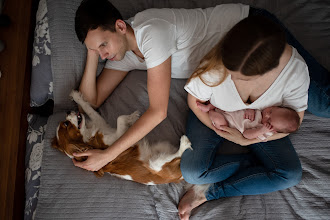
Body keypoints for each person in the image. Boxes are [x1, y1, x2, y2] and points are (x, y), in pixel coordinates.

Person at [177, 12, 328, 219]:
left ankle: (208, 193)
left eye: (239, 78)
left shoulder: (295, 71)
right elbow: (193, 101)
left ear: (267, 72)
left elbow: (295, 120)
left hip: (258, 123)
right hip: (215, 115)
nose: (230, 78)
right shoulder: (215, 65)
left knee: (289, 175)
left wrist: (248, 139)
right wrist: (220, 129)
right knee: (192, 172)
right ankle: (248, 163)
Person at [197, 102, 300, 140]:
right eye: (272, 111)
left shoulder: (266, 133)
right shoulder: (262, 108)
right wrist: (250, 108)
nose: (267, 114)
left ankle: (209, 111)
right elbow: (249, 102)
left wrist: (260, 131)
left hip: (227, 122)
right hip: (230, 108)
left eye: (268, 120)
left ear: (274, 130)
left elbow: (246, 135)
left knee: (219, 121)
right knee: (225, 101)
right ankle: (209, 106)